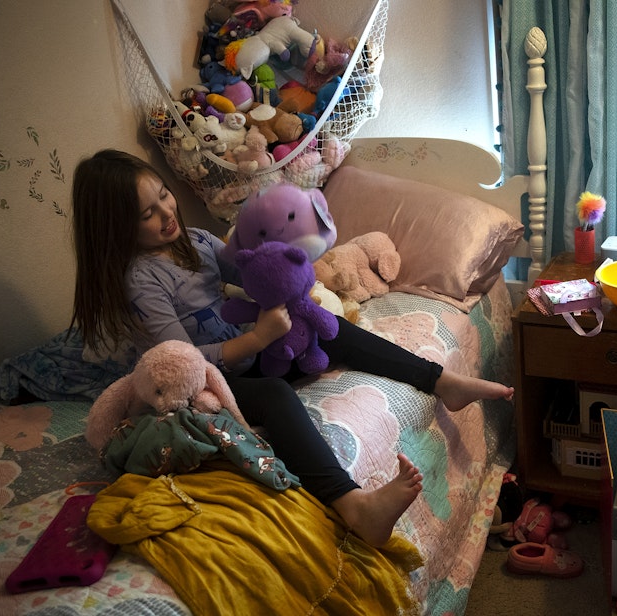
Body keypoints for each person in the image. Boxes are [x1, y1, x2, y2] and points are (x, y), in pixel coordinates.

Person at [69, 149, 514, 546]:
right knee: (275, 396)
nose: (167, 211)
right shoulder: (141, 280)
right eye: (147, 212)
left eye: (165, 194)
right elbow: (183, 364)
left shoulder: (199, 243)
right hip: (205, 385)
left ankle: (439, 380)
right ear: (115, 228)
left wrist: (287, 249)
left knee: (329, 326)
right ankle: (353, 505)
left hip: (249, 356)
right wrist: (257, 339)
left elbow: (259, 276)